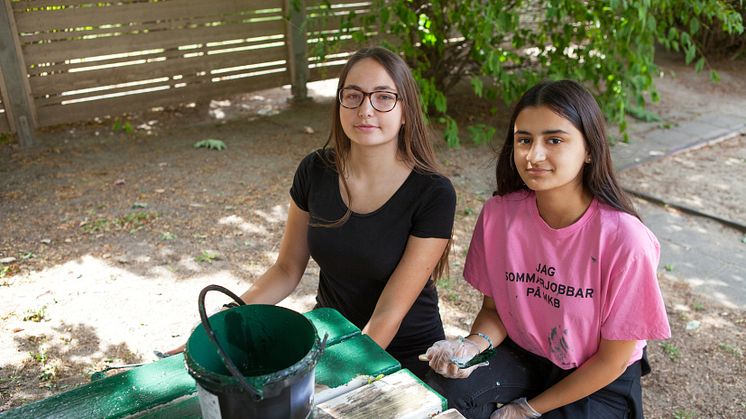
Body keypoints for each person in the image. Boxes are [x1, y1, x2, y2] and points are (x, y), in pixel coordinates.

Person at [168, 46, 456, 380]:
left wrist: (337, 377)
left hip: (405, 353)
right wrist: (223, 321)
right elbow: (287, 268)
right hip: (330, 339)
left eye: (383, 97)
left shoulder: (433, 193)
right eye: (353, 95)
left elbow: (389, 312)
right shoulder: (315, 169)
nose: (365, 109)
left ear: (405, 111)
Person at [424, 80, 671, 418]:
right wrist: (472, 347)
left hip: (597, 379)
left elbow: (612, 360)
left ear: (589, 150)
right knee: (448, 389)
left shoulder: (626, 240)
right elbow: (496, 312)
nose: (533, 155)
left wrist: (528, 409)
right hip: (524, 356)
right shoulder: (499, 216)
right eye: (523, 140)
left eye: (554, 140)